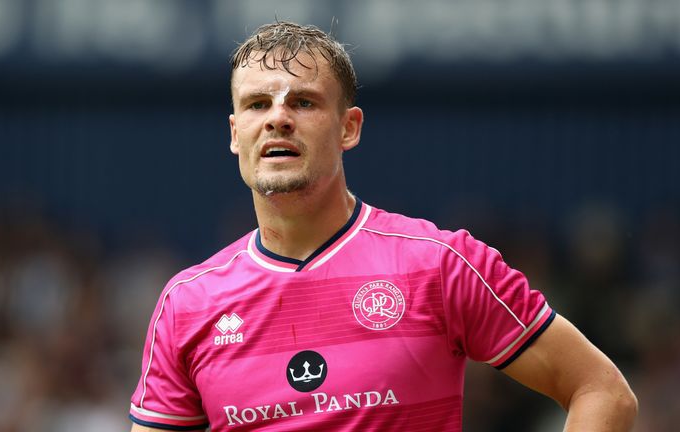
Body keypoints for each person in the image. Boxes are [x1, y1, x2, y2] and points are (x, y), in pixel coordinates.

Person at [129, 21, 637, 431]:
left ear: (349, 127)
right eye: (257, 104)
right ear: (236, 133)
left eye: (303, 102)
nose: (277, 118)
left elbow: (603, 392)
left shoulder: (441, 264)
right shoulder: (188, 304)